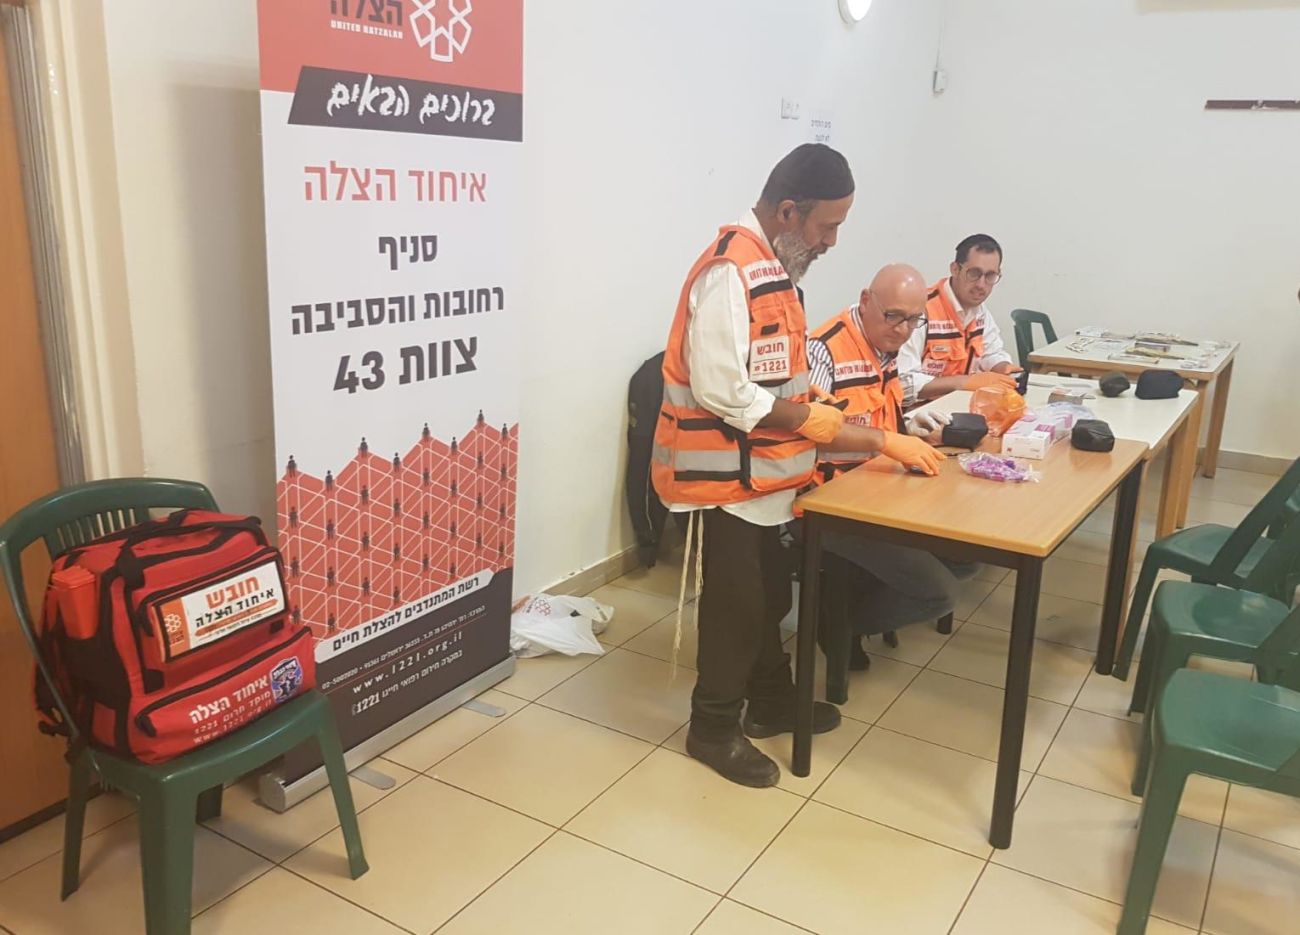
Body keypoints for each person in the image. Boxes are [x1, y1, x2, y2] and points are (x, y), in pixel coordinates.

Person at [652, 145, 943, 788]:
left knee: (768, 597)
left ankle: (770, 701)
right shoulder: (729, 271)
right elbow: (724, 391)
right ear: (788, 211)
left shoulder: (775, 269)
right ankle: (712, 727)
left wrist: (813, 406)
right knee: (736, 607)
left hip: (765, 476)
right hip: (721, 479)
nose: (832, 241)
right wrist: (816, 422)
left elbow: (776, 375)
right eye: (827, 225)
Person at [806, 264, 978, 663]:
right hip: (825, 502)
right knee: (939, 593)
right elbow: (809, 433)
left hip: (877, 489)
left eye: (914, 320)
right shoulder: (824, 349)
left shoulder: (885, 347)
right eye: (893, 316)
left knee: (966, 558)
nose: (903, 330)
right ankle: (836, 625)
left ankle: (846, 606)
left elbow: (877, 416)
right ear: (866, 300)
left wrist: (911, 432)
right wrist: (886, 441)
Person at [898, 233, 1021, 404]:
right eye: (974, 273)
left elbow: (991, 353)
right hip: (917, 412)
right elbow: (903, 384)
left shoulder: (981, 312)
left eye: (990, 276)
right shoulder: (920, 310)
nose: (981, 284)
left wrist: (1003, 369)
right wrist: (964, 382)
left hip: (959, 406)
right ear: (955, 269)